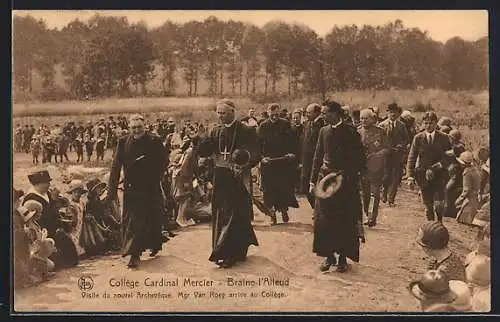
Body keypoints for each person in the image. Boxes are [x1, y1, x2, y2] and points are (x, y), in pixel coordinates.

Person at [197, 99, 260, 268]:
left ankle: (231, 252)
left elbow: (255, 153)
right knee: (220, 213)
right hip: (220, 177)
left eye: (223, 113)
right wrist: (201, 139)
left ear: (233, 112)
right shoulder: (215, 130)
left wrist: (244, 162)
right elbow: (204, 151)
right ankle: (222, 250)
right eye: (218, 113)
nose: (220, 116)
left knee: (235, 214)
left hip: (237, 178)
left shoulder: (245, 130)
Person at [310, 100, 365, 273]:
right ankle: (329, 256)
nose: (323, 115)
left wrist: (345, 175)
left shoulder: (351, 133)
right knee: (324, 221)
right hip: (325, 181)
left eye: (326, 113)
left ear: (335, 113)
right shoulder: (323, 131)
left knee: (344, 221)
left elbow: (359, 160)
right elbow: (317, 156)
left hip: (345, 184)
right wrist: (312, 181)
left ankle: (342, 258)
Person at [107, 114, 167, 268]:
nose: (136, 130)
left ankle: (154, 243)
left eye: (139, 127)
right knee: (133, 222)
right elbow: (115, 167)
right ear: (129, 128)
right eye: (133, 128)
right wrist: (112, 191)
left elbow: (164, 162)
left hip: (150, 187)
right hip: (131, 189)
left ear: (145, 126)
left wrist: (155, 177)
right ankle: (134, 254)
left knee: (151, 217)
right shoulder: (123, 142)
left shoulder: (154, 141)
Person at [258, 103, 299, 225]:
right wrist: (261, 158)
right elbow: (258, 144)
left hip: (283, 162)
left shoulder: (285, 124)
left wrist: (292, 154)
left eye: (277, 114)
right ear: (268, 113)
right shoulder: (263, 126)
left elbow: (293, 141)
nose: (274, 116)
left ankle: (284, 210)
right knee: (269, 190)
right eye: (272, 114)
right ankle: (272, 215)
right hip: (269, 163)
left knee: (284, 188)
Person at [407, 112, 452, 222]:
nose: (428, 126)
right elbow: (412, 157)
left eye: (431, 123)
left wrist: (434, 168)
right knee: (428, 205)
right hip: (423, 175)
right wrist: (410, 176)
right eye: (426, 123)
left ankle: (439, 221)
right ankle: (431, 226)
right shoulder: (418, 138)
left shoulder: (444, 138)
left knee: (438, 204)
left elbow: (449, 157)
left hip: (440, 175)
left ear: (436, 123)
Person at [358, 109, 390, 227]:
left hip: (376, 168)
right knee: (365, 194)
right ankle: (367, 214)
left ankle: (372, 217)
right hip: (362, 167)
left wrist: (377, 155)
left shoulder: (380, 132)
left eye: (366, 118)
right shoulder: (358, 132)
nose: (363, 121)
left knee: (374, 193)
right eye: (361, 118)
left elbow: (387, 148)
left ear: (372, 119)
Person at [378, 103, 409, 207]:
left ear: (398, 113)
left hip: (397, 155)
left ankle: (391, 199)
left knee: (395, 177)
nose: (393, 114)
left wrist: (401, 145)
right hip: (386, 155)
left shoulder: (402, 126)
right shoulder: (382, 125)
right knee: (386, 176)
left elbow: (406, 139)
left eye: (395, 112)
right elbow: (378, 139)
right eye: (391, 112)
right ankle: (384, 193)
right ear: (387, 113)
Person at [22, 170, 59, 239]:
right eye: (46, 182)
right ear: (37, 184)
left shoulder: (47, 193)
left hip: (54, 233)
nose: (49, 184)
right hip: (42, 236)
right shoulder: (30, 199)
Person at [300, 103, 324, 209]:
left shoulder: (322, 125)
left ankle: (318, 210)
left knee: (316, 186)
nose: (307, 115)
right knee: (305, 187)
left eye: (309, 113)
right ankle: (315, 208)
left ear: (317, 113)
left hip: (317, 161)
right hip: (306, 161)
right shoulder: (306, 124)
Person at [455, 151, 481, 225]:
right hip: (475, 200)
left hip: (470, 201)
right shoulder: (475, 170)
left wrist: (459, 200)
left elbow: (466, 190)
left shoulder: (467, 173)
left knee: (463, 220)